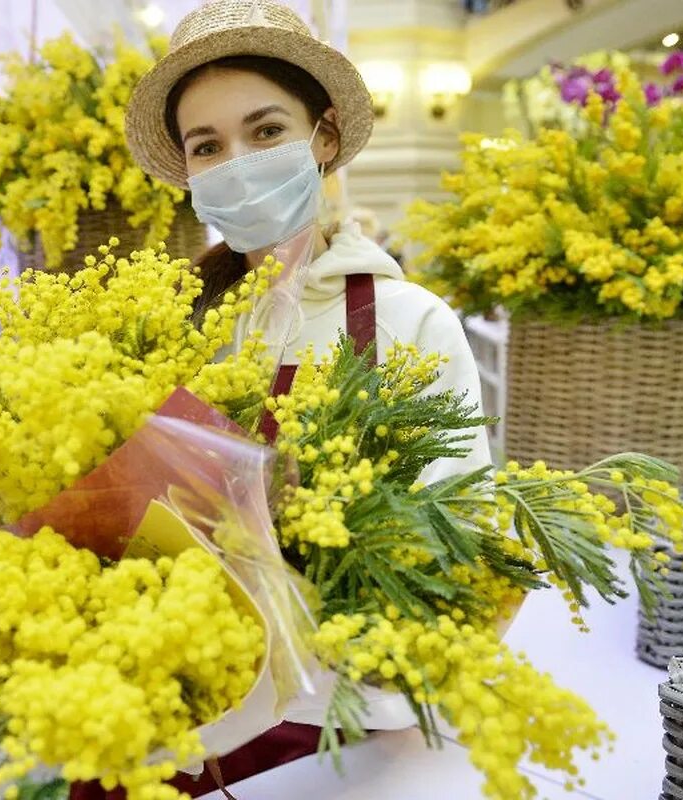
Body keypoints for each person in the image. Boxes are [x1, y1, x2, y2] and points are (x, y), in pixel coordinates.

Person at [72, 1, 490, 796]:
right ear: (188, 171)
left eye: (265, 132)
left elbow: (460, 553)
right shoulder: (161, 328)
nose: (238, 161)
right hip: (161, 714)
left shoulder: (407, 321)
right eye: (208, 146)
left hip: (331, 735)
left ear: (324, 137)